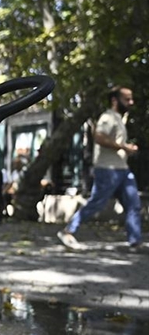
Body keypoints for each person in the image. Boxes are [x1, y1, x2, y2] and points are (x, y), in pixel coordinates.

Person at [58, 86, 142, 249]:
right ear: (114, 100)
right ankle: (68, 231)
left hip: (122, 169)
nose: (131, 102)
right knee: (97, 203)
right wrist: (124, 147)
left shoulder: (119, 118)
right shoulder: (108, 117)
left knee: (134, 204)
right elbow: (99, 137)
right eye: (127, 99)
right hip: (107, 169)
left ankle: (135, 242)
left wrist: (126, 148)